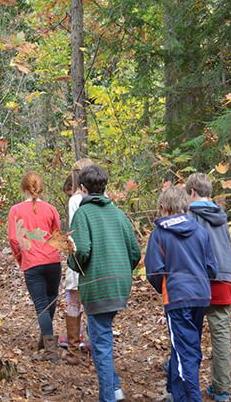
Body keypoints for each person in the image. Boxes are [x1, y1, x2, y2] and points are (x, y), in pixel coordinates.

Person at [68, 164, 140, 402]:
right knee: (100, 334)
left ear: (82, 188)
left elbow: (83, 252)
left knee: (100, 342)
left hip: (99, 285)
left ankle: (108, 396)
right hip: (119, 285)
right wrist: (121, 270)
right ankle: (115, 386)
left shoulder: (83, 213)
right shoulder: (118, 213)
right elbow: (135, 252)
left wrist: (71, 261)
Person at [145, 186, 217, 402]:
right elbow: (211, 268)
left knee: (186, 350)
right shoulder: (200, 231)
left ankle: (190, 398)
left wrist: (166, 287)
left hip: (177, 298)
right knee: (185, 345)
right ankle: (176, 392)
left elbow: (154, 271)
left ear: (163, 207)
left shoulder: (159, 233)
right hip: (201, 296)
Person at [185, 173, 231, 401]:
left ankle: (186, 380)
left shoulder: (190, 216)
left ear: (192, 193)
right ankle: (222, 388)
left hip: (197, 280)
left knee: (189, 331)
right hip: (223, 277)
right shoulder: (221, 216)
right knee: (221, 335)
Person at [8, 172, 62, 361]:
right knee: (50, 300)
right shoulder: (51, 209)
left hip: (32, 262)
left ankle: (49, 350)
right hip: (53, 261)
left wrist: (20, 257)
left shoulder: (15, 210)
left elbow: (14, 239)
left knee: (41, 304)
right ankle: (45, 341)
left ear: (23, 188)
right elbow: (58, 235)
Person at [62, 158, 94, 364]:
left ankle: (74, 350)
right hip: (96, 257)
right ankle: (88, 344)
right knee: (90, 303)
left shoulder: (76, 199)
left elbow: (75, 231)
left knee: (74, 301)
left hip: (80, 255)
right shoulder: (103, 198)